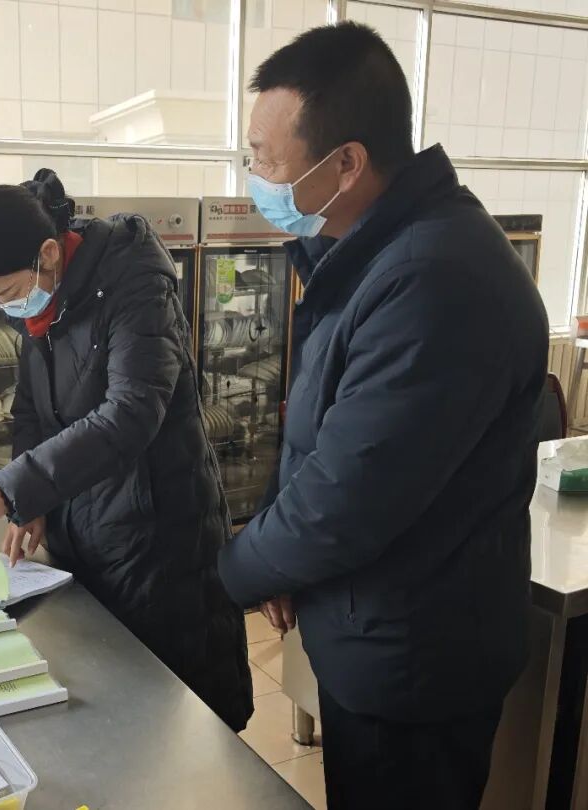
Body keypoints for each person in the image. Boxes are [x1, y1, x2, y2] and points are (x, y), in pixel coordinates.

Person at [216, 23, 548, 810]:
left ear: (346, 163)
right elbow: (320, 433)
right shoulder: (373, 254)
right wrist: (282, 563)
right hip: (381, 632)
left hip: (418, 662)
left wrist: (232, 571)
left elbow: (347, 497)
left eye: (265, 158)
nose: (254, 176)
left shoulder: (436, 279)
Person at [0, 170, 253, 731]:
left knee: (175, 717)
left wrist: (9, 490)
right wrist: (32, 501)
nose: (4, 309)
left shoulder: (135, 285)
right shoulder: (42, 300)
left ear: (49, 253)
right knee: (109, 706)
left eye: (5, 294)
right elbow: (31, 411)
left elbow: (130, 414)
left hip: (157, 535)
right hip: (83, 530)